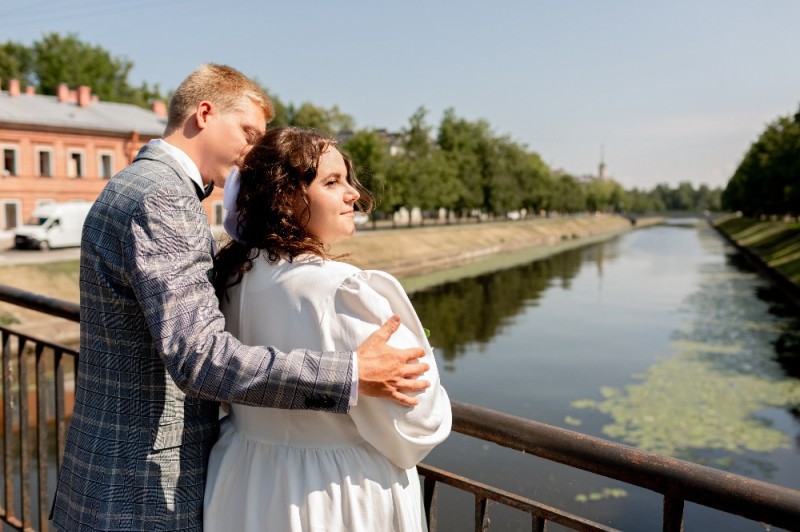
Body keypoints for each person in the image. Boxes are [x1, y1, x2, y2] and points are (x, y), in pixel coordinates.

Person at [50, 65, 429, 532]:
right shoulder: (163, 198)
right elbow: (200, 358)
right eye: (248, 133)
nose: (253, 155)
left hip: (108, 471)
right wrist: (350, 373)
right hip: (142, 492)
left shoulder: (130, 184)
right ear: (204, 114)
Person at [203, 127, 452, 531]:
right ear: (285, 196)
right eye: (332, 182)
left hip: (245, 482)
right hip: (334, 496)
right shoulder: (342, 290)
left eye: (347, 180)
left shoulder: (234, 278)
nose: (353, 193)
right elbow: (418, 422)